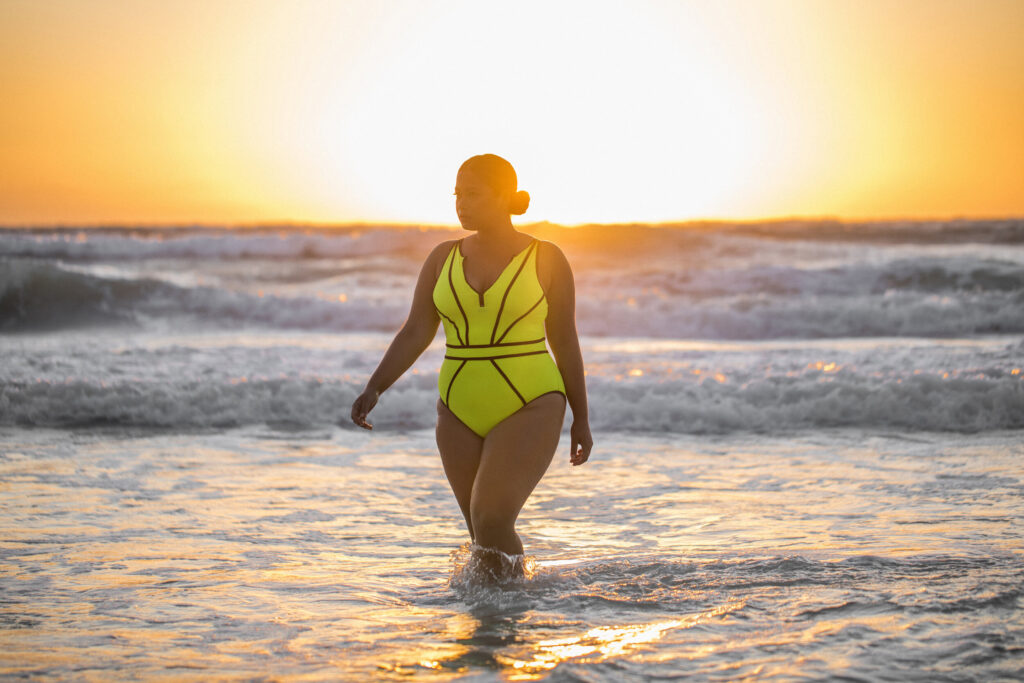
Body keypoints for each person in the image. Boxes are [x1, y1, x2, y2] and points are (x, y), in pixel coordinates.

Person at [350, 154, 592, 577]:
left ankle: (515, 606)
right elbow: (416, 332)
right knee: (482, 535)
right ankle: (492, 630)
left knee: (492, 517)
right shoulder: (441, 258)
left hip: (531, 400)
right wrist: (375, 387)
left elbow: (565, 340)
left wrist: (581, 418)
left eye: (473, 194)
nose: (461, 203)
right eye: (457, 194)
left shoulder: (547, 257)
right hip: (457, 406)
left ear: (504, 197)